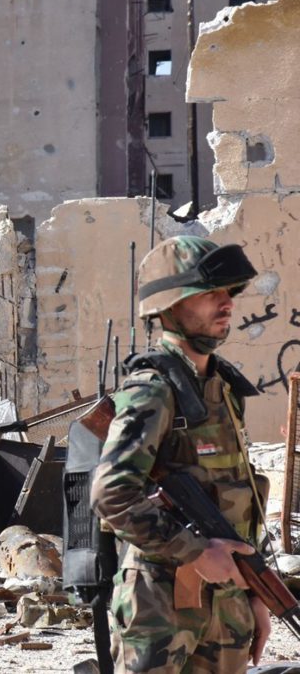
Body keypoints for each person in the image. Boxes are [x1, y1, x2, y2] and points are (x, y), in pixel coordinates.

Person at [90, 236, 269, 672]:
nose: (225, 303)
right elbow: (111, 495)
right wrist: (194, 550)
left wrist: (256, 594)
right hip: (161, 605)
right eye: (210, 293)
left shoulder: (222, 389)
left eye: (229, 292)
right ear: (169, 306)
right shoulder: (152, 390)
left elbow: (235, 498)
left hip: (227, 605)